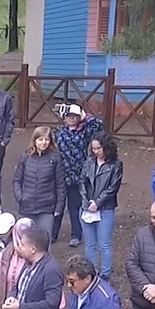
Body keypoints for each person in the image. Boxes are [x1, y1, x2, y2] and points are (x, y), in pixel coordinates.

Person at [54, 104, 104, 247]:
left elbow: (99, 125)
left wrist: (85, 116)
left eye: (74, 116)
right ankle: (53, 233)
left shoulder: (84, 132)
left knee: (74, 206)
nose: (71, 118)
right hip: (62, 174)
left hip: (78, 175)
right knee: (58, 204)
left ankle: (76, 234)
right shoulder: (59, 133)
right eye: (68, 116)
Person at [79, 133, 123, 281]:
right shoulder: (89, 162)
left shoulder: (116, 165)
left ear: (106, 148)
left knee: (104, 244)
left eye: (98, 148)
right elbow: (82, 182)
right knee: (89, 243)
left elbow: (113, 187)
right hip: (87, 207)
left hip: (105, 208)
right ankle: (91, 272)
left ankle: (105, 275)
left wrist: (97, 202)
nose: (96, 151)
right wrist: (86, 202)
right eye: (93, 148)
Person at [12, 126, 66, 239]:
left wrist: (58, 208)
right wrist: (20, 197)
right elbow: (17, 180)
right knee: (24, 240)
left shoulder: (55, 158)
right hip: (27, 206)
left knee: (45, 241)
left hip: (46, 208)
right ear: (35, 140)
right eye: (40, 139)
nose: (44, 143)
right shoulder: (26, 157)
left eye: (47, 139)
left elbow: (60, 185)